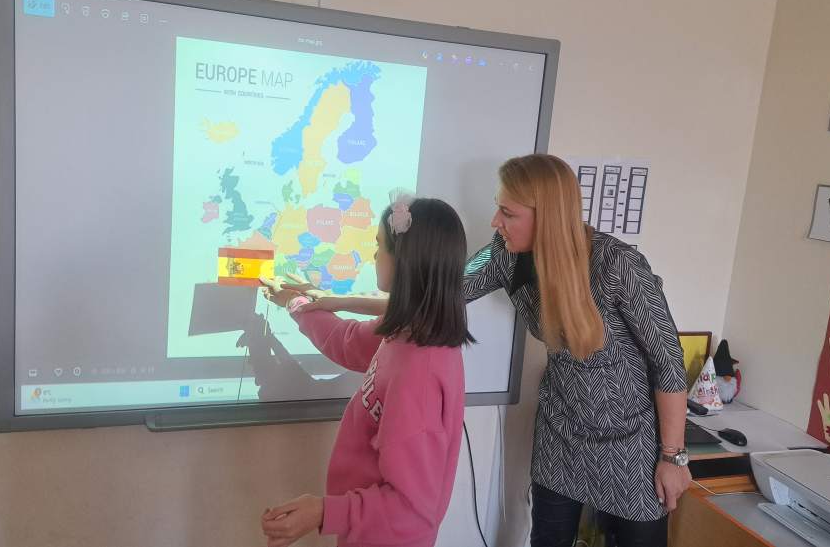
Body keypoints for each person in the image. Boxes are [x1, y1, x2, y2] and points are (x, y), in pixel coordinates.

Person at [291, 155, 691, 547]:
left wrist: (673, 457)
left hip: (632, 442)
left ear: (548, 216)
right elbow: (429, 297)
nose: (495, 221)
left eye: (508, 213)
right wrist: (333, 301)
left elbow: (669, 363)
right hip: (563, 434)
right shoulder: (504, 256)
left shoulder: (618, 265)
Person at [259, 196, 472, 547]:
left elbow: (411, 511)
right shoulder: (408, 331)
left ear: (404, 260)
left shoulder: (419, 373)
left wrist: (323, 512)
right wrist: (294, 302)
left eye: (378, 245)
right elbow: (345, 340)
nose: (374, 255)